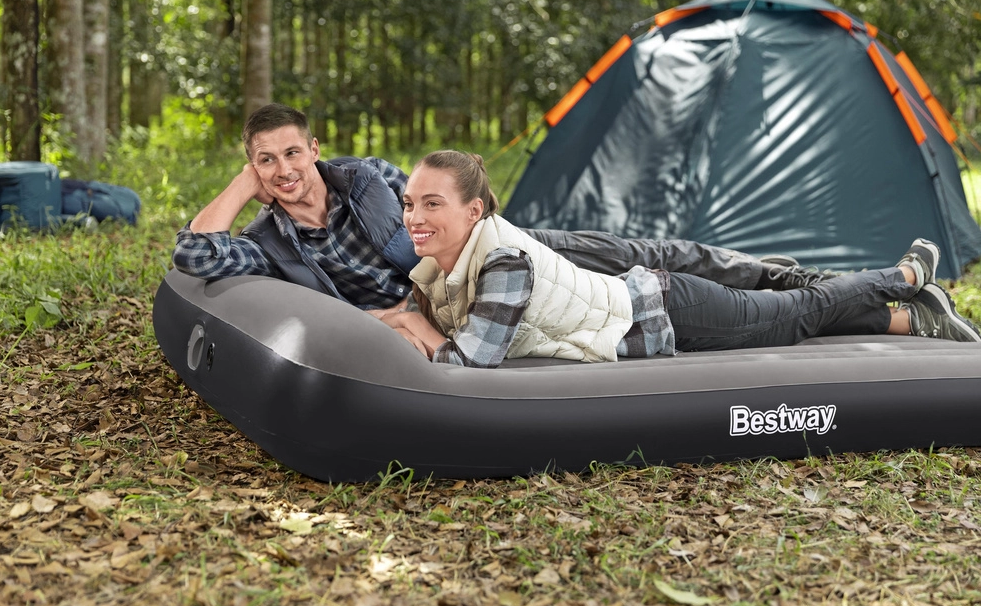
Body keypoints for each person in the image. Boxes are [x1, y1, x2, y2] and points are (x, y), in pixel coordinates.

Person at [173, 103, 834, 310]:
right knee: (644, 286)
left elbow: (440, 210)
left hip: (498, 247)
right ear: (252, 166)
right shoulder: (272, 241)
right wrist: (242, 186)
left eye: (292, 152)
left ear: (313, 148)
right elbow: (193, 254)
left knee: (638, 252)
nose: (285, 170)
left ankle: (785, 279)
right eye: (266, 160)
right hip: (454, 301)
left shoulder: (367, 178)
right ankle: (773, 297)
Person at [370, 150, 980, 367]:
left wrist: (410, 321)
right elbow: (440, 324)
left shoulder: (503, 260)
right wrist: (403, 316)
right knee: (794, 315)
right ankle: (912, 318)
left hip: (668, 313)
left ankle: (902, 276)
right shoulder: (444, 265)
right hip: (651, 300)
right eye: (409, 204)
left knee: (795, 313)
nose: (414, 218)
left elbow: (471, 358)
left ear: (474, 211)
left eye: (432, 204)